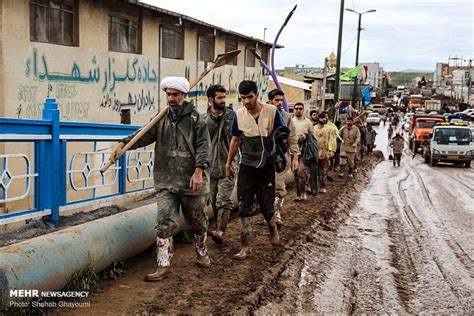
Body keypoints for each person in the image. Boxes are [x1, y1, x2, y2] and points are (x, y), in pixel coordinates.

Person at [111, 77, 211, 282]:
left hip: (191, 181)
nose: (171, 98)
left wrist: (199, 171)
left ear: (184, 96)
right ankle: (163, 264)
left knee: (197, 222)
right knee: (164, 222)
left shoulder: (196, 119)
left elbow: (203, 146)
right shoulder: (161, 119)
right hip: (166, 180)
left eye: (175, 95)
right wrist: (123, 144)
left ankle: (201, 251)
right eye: (168, 95)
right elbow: (143, 135)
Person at [226, 80, 284, 260]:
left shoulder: (272, 111)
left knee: (267, 204)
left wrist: (287, 156)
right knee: (244, 204)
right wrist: (228, 164)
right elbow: (235, 140)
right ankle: (245, 246)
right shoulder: (239, 115)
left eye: (250, 97)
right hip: (247, 166)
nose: (247, 101)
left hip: (266, 166)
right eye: (243, 98)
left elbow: (283, 133)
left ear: (257, 95)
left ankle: (272, 227)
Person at [202, 84, 235, 245]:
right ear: (210, 100)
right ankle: (217, 227)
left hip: (229, 166)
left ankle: (221, 231)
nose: (223, 100)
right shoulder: (203, 121)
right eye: (219, 97)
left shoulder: (233, 117)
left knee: (223, 199)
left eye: (224, 97)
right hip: (211, 169)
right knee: (214, 201)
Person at [267, 89, 299, 227]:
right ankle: (268, 213)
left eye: (281, 100)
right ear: (270, 101)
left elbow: (292, 138)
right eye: (277, 100)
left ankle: (277, 214)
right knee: (265, 187)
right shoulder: (262, 114)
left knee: (279, 186)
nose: (280, 103)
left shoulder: (286, 118)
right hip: (264, 156)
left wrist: (295, 157)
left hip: (280, 156)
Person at [292, 102, 317, 199]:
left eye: (300, 109)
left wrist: (306, 136)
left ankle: (303, 193)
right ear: (294, 110)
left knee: (301, 172)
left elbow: (313, 136)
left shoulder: (308, 122)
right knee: (295, 174)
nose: (298, 110)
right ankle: (298, 194)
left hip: (304, 151)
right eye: (296, 108)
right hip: (293, 151)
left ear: (303, 110)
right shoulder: (291, 121)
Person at [314, 113, 336, 193]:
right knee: (313, 170)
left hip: (325, 152)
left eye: (325, 118)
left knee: (323, 171)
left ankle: (322, 186)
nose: (324, 119)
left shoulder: (329, 129)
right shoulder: (313, 128)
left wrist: (332, 150)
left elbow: (333, 140)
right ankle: (312, 186)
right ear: (318, 119)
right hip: (315, 152)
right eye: (322, 118)